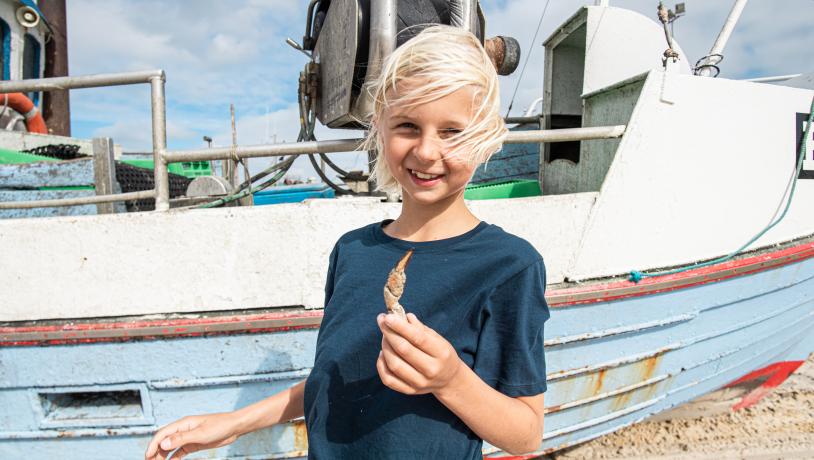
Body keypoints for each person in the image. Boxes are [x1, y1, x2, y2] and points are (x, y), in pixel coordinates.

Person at [145, 25, 549, 460]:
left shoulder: (509, 265)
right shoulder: (352, 251)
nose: (427, 151)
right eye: (408, 125)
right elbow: (333, 378)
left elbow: (525, 433)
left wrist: (451, 380)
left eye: (452, 132)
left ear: (486, 135)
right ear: (379, 125)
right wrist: (233, 423)